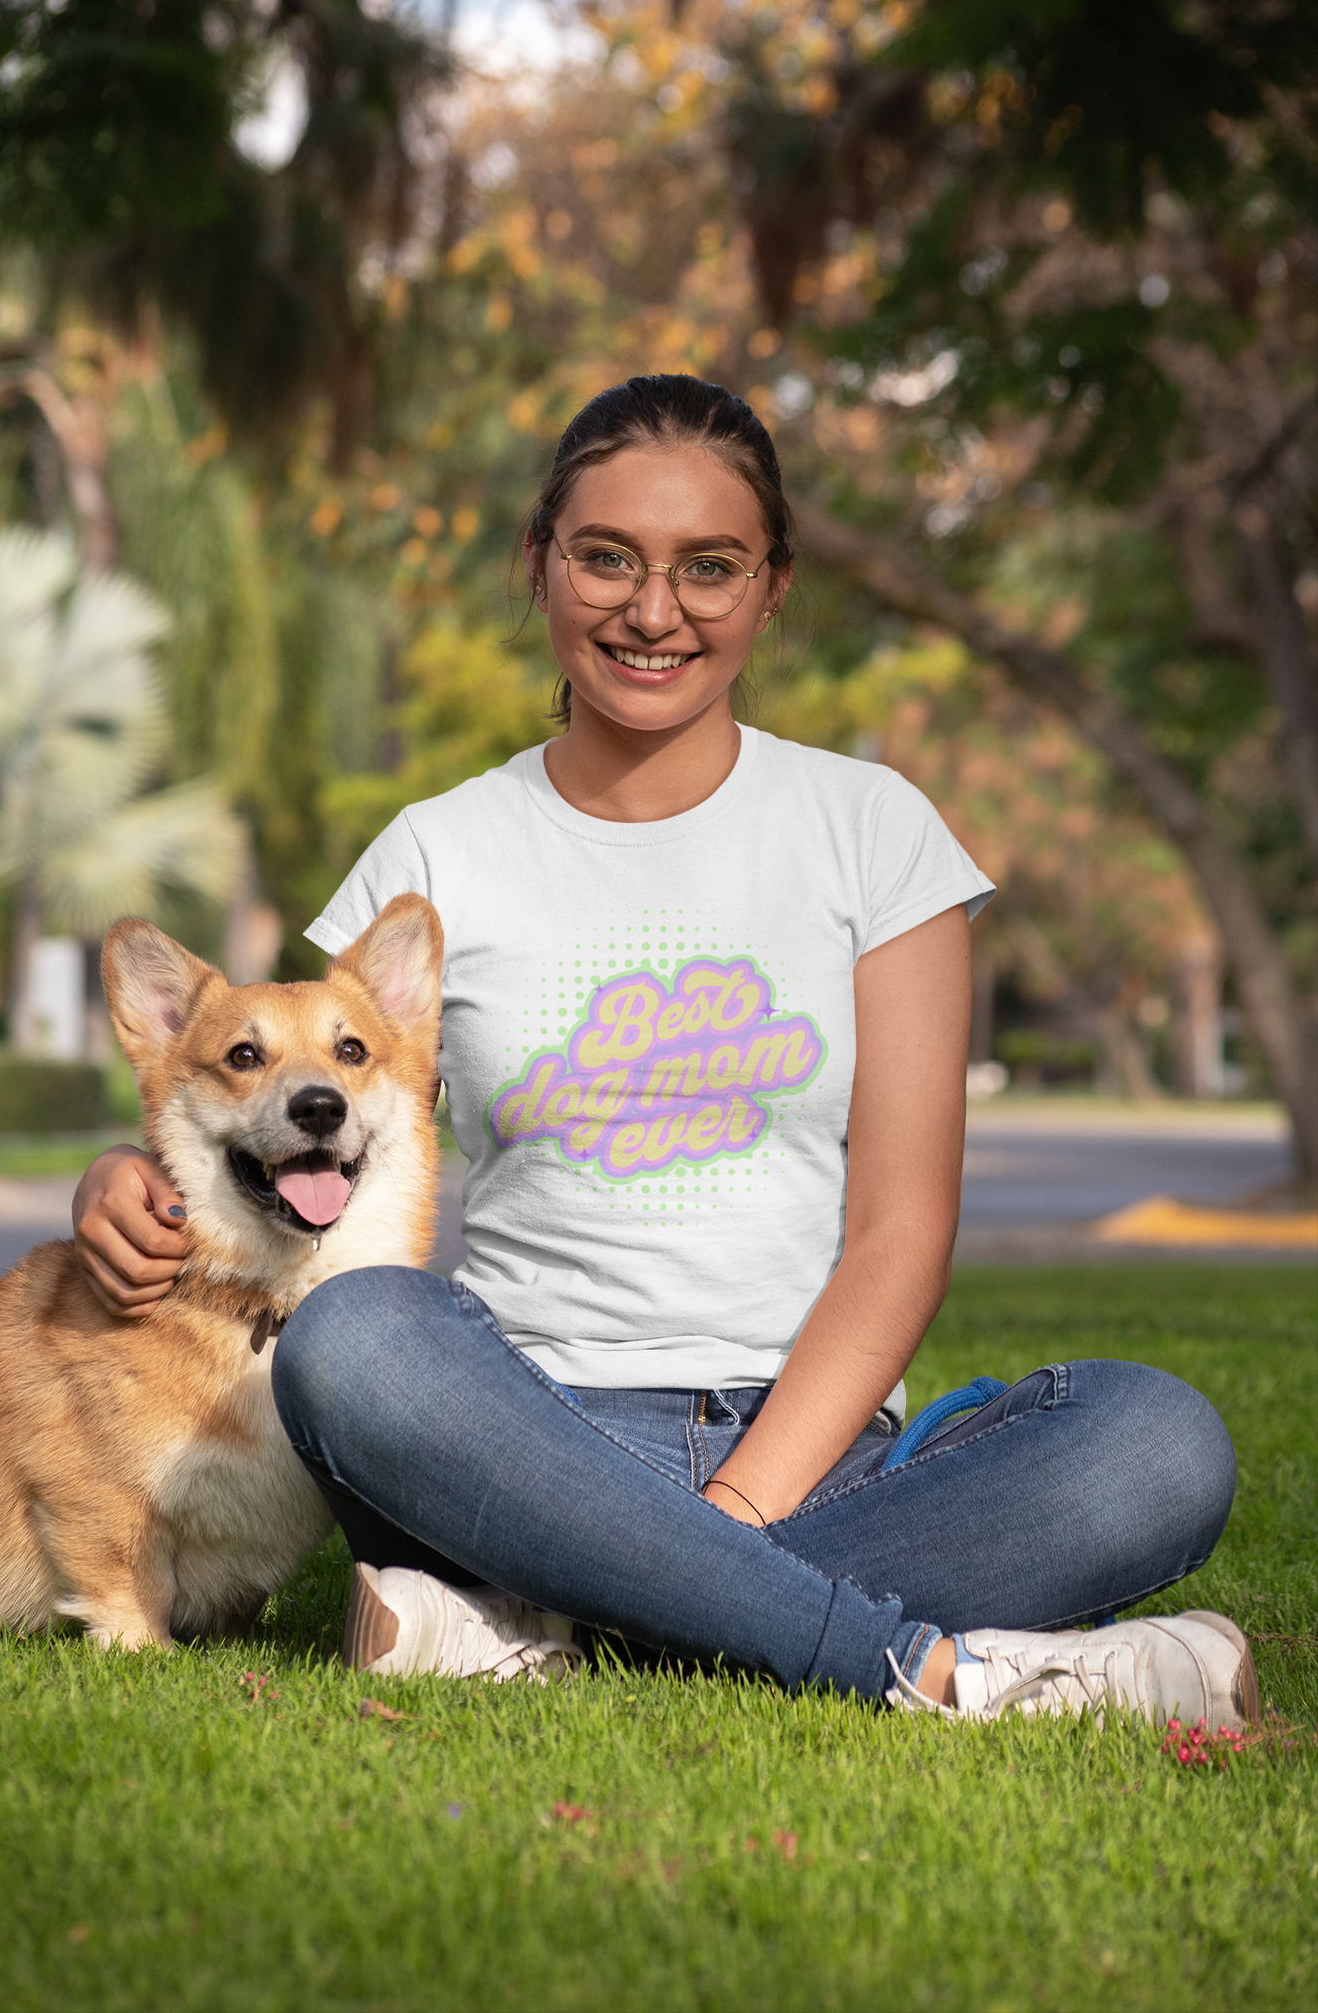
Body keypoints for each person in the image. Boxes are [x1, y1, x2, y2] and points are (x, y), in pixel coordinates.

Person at [73, 374, 1256, 1725]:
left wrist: (736, 1512)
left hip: (819, 1450)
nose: (654, 611)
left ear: (773, 585)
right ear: (539, 564)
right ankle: (945, 1671)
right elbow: (285, 1094)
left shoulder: (875, 831)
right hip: (508, 1440)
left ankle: (560, 1620)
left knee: (1160, 1444)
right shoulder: (438, 849)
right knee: (351, 1341)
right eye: (606, 558)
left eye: (709, 567)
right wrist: (115, 1180)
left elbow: (901, 1231)